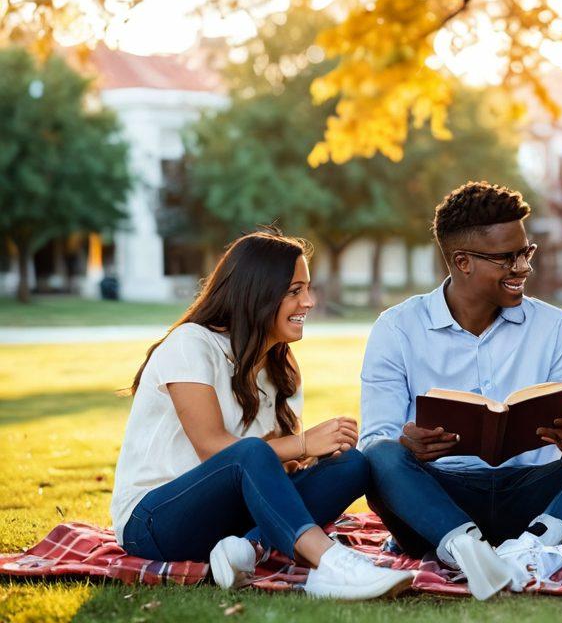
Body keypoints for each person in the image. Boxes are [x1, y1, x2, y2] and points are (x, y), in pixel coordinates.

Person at [360, 182, 562, 599]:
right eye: (506, 258)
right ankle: (467, 551)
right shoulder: (397, 328)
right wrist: (407, 444)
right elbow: (374, 442)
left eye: (525, 252)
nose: (523, 267)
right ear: (462, 262)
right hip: (439, 500)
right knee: (381, 457)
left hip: (534, 498)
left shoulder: (553, 325)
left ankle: (534, 551)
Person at [111, 231, 411, 600]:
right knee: (248, 452)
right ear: (257, 292)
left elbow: (269, 467)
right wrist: (302, 442)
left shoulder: (281, 366)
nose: (309, 302)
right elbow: (214, 449)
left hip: (229, 519)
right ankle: (331, 565)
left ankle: (244, 550)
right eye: (295, 291)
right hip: (154, 521)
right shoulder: (191, 343)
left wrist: (313, 456)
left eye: (308, 289)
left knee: (353, 465)